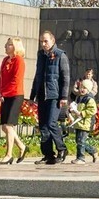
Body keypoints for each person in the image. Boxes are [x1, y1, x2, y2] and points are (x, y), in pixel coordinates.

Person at [30, 31, 70, 165]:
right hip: (42, 95)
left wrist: (64, 96)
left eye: (45, 41)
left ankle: (62, 149)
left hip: (55, 96)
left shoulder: (60, 55)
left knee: (51, 123)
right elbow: (37, 75)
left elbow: (65, 77)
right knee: (43, 126)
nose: (43, 44)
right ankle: (48, 154)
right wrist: (32, 95)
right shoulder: (41, 55)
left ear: (52, 41)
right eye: (41, 41)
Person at [0, 37, 28, 165]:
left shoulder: (19, 60)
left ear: (15, 47)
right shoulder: (5, 60)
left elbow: (16, 80)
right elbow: (2, 78)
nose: (6, 46)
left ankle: (8, 155)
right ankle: (22, 146)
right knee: (4, 126)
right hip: (6, 95)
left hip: (15, 95)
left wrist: (3, 91)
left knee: (9, 125)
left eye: (9, 45)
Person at [71, 79, 98, 164]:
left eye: (84, 88)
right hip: (79, 123)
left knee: (81, 141)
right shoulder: (79, 98)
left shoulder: (89, 99)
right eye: (81, 87)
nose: (82, 89)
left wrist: (82, 113)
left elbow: (93, 110)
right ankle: (93, 150)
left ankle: (81, 158)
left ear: (89, 90)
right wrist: (72, 110)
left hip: (85, 123)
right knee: (78, 141)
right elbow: (77, 108)